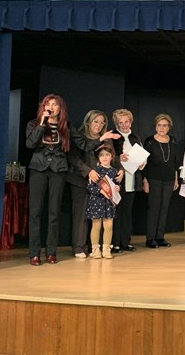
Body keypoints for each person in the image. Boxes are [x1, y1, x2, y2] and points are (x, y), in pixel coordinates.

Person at [26, 94, 73, 266]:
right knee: (35, 212)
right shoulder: (33, 123)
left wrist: (100, 140)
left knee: (54, 212)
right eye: (48, 104)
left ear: (60, 108)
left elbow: (81, 144)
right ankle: (34, 253)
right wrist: (42, 123)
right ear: (44, 107)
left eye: (55, 104)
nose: (52, 107)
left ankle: (51, 252)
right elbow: (30, 144)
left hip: (58, 170)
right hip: (38, 169)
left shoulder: (65, 126)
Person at [67, 110, 121, 258]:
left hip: (102, 184)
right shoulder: (80, 136)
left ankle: (96, 247)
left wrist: (120, 170)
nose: (98, 125)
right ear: (88, 122)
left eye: (102, 122)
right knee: (81, 215)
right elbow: (73, 157)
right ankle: (78, 247)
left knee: (100, 217)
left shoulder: (107, 139)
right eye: (95, 121)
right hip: (80, 180)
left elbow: (114, 158)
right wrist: (88, 171)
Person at [110, 108, 145, 253]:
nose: (124, 125)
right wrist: (119, 158)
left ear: (131, 122)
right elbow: (106, 156)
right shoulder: (112, 137)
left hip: (132, 179)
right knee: (116, 212)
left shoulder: (135, 137)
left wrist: (142, 163)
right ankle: (115, 243)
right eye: (121, 122)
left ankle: (125, 242)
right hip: (117, 179)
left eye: (126, 121)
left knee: (127, 213)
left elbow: (141, 156)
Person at [143, 114, 180, 248]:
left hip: (169, 178)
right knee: (154, 208)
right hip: (154, 178)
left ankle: (160, 237)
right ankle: (150, 238)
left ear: (169, 127)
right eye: (159, 125)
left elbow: (175, 161)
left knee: (164, 208)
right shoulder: (149, 141)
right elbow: (144, 163)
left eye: (164, 125)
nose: (162, 128)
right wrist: (145, 180)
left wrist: (176, 178)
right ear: (155, 126)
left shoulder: (173, 141)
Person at [86, 145, 120, 259]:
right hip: (97, 201)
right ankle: (95, 249)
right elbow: (90, 187)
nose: (104, 157)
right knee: (96, 225)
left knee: (109, 226)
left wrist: (117, 188)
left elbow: (116, 185)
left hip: (109, 202)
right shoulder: (95, 171)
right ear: (98, 158)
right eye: (101, 155)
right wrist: (100, 191)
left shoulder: (114, 171)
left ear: (112, 157)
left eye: (107, 155)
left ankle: (106, 249)